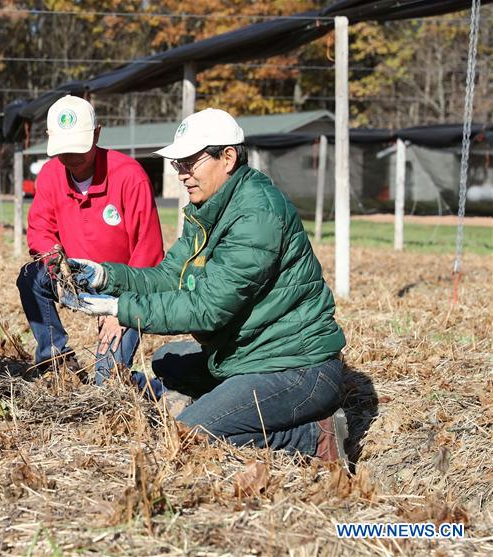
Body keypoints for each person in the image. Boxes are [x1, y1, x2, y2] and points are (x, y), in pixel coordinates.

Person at [64, 108, 349, 467]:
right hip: (249, 354)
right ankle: (228, 405)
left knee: (190, 433)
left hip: (296, 368)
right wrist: (107, 277)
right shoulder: (211, 210)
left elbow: (207, 308)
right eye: (177, 165)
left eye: (190, 163)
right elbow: (169, 275)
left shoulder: (256, 216)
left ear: (227, 157)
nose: (182, 174)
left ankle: (314, 437)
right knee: (165, 360)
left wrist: (120, 309)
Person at [16, 95, 164, 384]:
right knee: (30, 277)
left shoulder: (129, 177)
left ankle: (162, 391)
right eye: (63, 149)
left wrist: (121, 310)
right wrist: (57, 269)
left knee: (106, 381)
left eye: (79, 148)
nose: (71, 157)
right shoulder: (49, 175)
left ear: (97, 133)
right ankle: (55, 358)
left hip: (124, 285)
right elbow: (40, 229)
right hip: (74, 273)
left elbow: (149, 252)